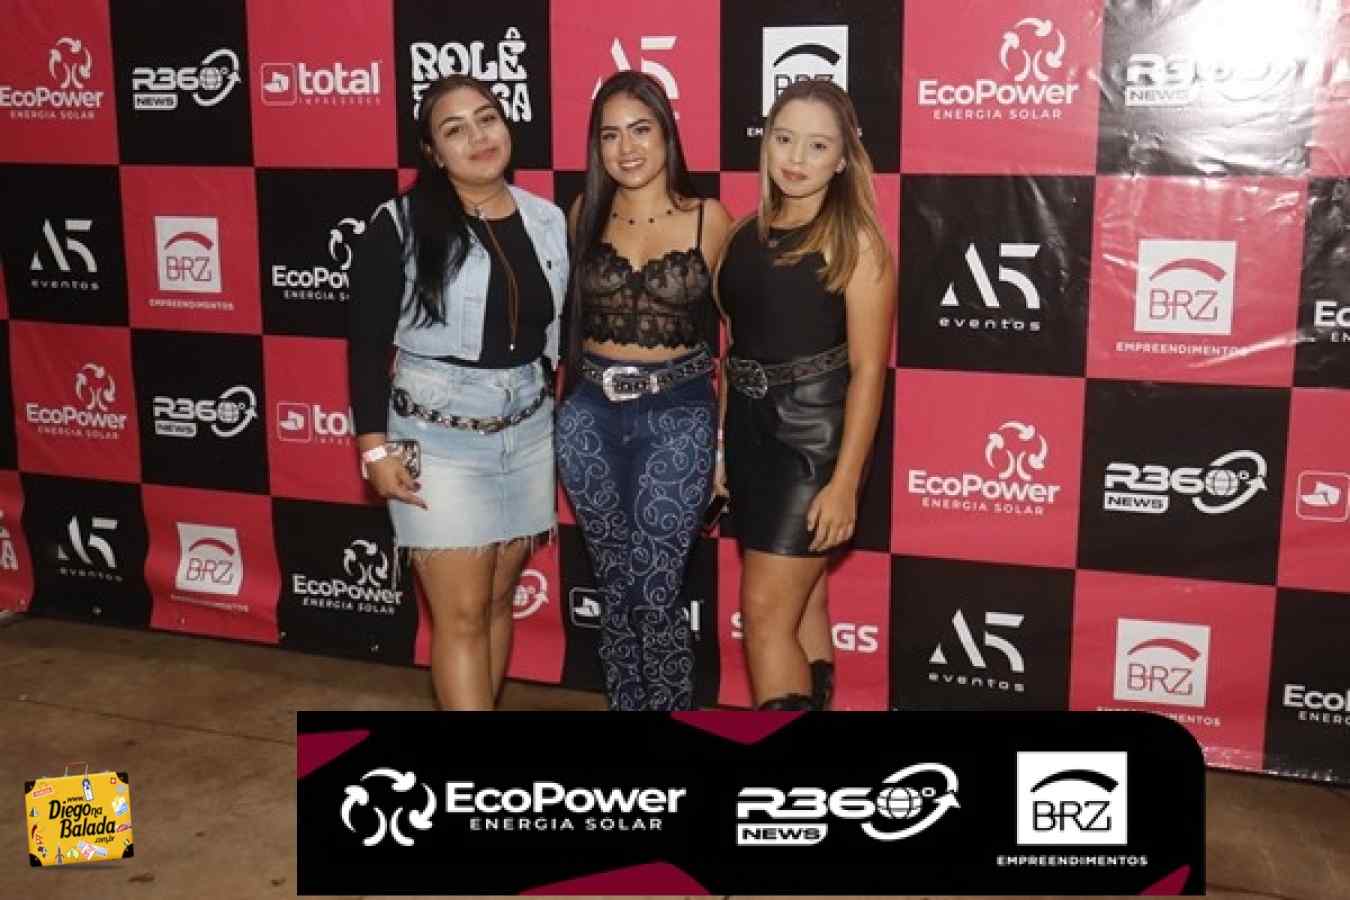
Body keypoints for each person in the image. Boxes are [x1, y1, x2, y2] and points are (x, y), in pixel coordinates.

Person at [347, 75, 568, 710]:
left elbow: (554, 335)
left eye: (487, 118)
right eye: (455, 129)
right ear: (433, 152)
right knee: (462, 615)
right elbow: (365, 345)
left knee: (497, 602)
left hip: (529, 431)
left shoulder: (547, 220)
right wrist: (373, 450)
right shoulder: (399, 224)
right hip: (434, 436)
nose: (478, 136)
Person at [715, 80, 896, 711]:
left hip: (814, 441)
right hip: (749, 435)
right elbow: (734, 350)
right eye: (784, 138)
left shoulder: (857, 242)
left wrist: (844, 482)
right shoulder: (742, 235)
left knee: (766, 617)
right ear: (766, 142)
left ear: (843, 159)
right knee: (804, 600)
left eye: (818, 145)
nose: (796, 157)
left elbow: (869, 371)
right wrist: (721, 449)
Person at [556, 71, 733, 711]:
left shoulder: (709, 219)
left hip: (678, 415)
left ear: (667, 134)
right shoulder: (583, 212)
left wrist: (722, 448)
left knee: (657, 592)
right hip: (588, 419)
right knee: (614, 588)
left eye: (640, 129)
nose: (626, 148)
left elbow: (736, 343)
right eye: (610, 135)